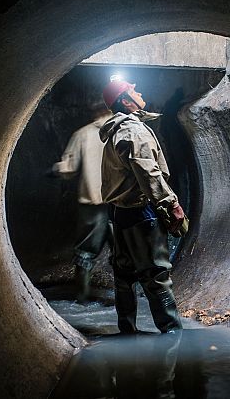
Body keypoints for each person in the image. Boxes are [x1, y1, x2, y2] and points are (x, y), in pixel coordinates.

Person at [98, 76, 188, 334]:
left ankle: (127, 333)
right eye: (131, 89)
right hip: (140, 213)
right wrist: (171, 205)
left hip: (119, 213)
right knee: (157, 275)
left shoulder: (118, 129)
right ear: (125, 101)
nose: (137, 89)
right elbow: (149, 174)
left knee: (124, 274)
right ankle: (174, 336)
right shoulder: (133, 131)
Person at [50, 102, 115, 302]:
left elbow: (68, 168)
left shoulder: (82, 134)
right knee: (125, 252)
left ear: (93, 111)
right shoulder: (123, 129)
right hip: (120, 202)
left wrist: (53, 170)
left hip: (91, 202)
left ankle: (82, 298)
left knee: (85, 253)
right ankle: (127, 301)